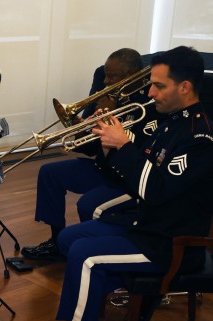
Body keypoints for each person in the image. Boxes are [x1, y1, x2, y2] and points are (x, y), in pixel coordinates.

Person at [34, 46, 213, 321]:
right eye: (151, 83)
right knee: (68, 239)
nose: (150, 92)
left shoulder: (201, 138)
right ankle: (120, 296)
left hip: (170, 241)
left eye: (159, 86)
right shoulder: (171, 122)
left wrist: (123, 144)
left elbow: (155, 188)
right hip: (147, 223)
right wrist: (110, 138)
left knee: (85, 255)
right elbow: (143, 165)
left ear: (185, 87)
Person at [22, 48, 162, 261]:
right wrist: (79, 127)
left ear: (132, 74)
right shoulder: (112, 97)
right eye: (105, 74)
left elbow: (139, 150)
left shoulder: (151, 105)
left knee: (88, 202)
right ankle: (57, 241)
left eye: (112, 76)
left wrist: (111, 120)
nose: (105, 81)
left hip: (125, 180)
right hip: (103, 168)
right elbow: (89, 149)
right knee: (50, 173)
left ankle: (91, 248)